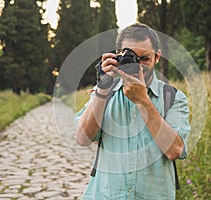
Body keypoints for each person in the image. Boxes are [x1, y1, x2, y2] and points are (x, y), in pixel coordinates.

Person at [75, 23, 190, 199]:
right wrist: (103, 88)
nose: (139, 65)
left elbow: (175, 151)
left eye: (145, 58)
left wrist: (142, 100)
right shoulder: (105, 91)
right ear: (117, 55)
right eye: (131, 57)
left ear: (157, 57)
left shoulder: (173, 97)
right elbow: (82, 139)